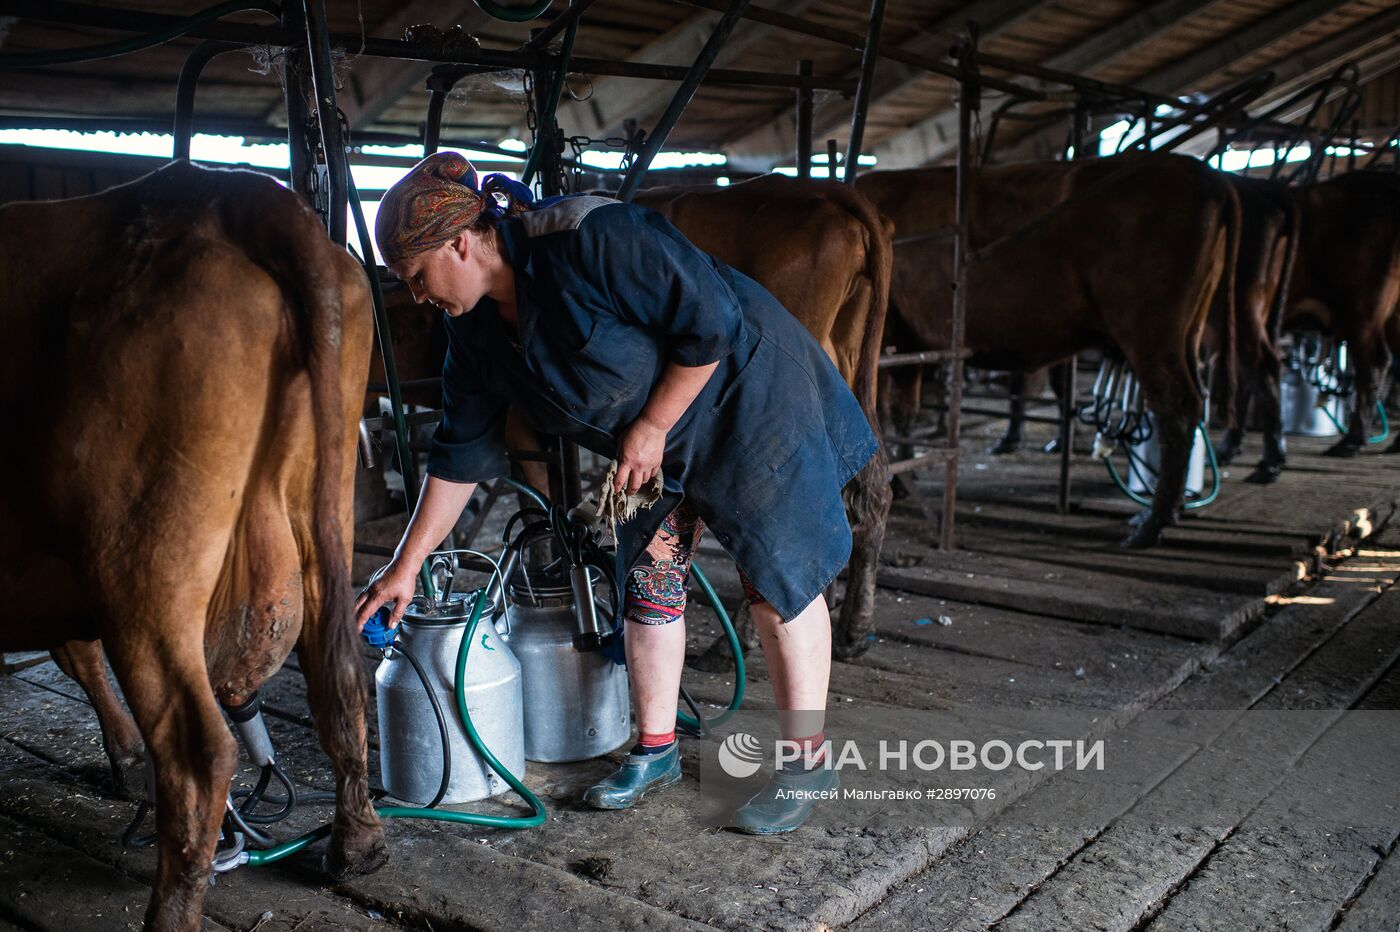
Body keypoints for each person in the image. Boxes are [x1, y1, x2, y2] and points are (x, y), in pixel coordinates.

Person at [355, 152, 877, 834]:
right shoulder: (474, 332)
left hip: (748, 401)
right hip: (649, 446)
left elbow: (711, 321)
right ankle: (654, 751)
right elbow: (457, 455)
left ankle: (808, 763)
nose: (418, 297)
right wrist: (405, 566)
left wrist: (655, 424)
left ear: (459, 243)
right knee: (649, 584)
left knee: (779, 582)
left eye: (416, 278)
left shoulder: (590, 238)